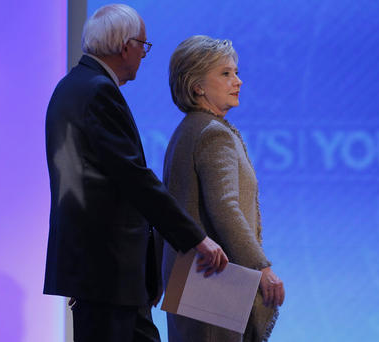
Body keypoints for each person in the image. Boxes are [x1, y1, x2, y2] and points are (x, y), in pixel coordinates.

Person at [43, 6, 228, 342]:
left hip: (98, 269)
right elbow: (133, 177)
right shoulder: (99, 91)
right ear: (125, 46)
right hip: (108, 269)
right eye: (143, 45)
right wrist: (195, 238)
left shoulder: (71, 86)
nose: (144, 54)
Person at [160, 35, 285, 342]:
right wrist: (262, 268)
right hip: (213, 280)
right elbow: (225, 208)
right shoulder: (213, 134)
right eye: (226, 73)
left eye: (236, 72)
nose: (238, 81)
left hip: (186, 280)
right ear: (197, 86)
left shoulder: (185, 130)